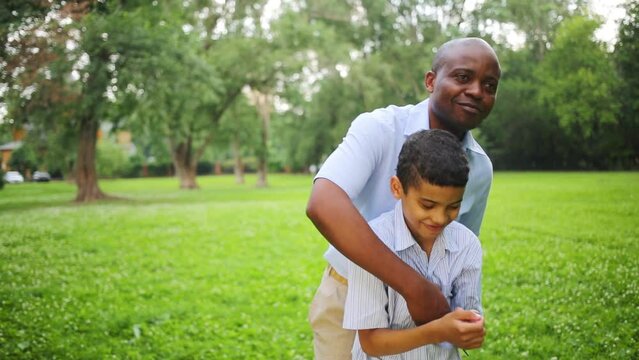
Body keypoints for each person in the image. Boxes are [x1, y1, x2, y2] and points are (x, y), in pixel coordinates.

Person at [306, 37, 500, 359]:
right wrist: (413, 287)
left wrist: (459, 317)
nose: (477, 91)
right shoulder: (379, 128)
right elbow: (323, 203)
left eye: (489, 85)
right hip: (351, 291)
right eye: (463, 77)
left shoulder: (479, 168)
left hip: (427, 310)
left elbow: (457, 244)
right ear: (431, 81)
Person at [344, 129, 484, 359]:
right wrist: (435, 331)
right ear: (397, 188)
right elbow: (370, 342)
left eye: (452, 206)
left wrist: (469, 329)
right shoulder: (372, 243)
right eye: (427, 205)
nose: (440, 218)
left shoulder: (467, 245)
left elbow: (467, 322)